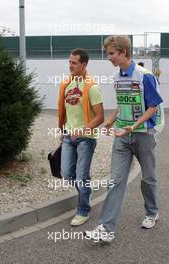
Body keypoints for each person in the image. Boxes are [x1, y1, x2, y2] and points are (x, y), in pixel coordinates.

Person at [84, 35, 164, 243]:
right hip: (122, 135)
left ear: (123, 53)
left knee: (148, 178)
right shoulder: (116, 77)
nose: (108, 57)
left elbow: (153, 107)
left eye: (111, 53)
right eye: (108, 53)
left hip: (143, 134)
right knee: (116, 181)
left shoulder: (144, 75)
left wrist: (134, 126)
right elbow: (122, 105)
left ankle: (152, 212)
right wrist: (111, 121)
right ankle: (106, 229)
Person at [58, 48, 104, 226]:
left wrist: (84, 130)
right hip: (69, 137)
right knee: (66, 173)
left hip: (86, 138)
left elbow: (100, 117)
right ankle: (86, 192)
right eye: (69, 62)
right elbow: (65, 112)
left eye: (74, 63)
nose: (70, 65)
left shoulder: (92, 87)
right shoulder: (66, 84)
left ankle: (83, 210)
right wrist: (63, 132)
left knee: (80, 176)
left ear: (84, 64)